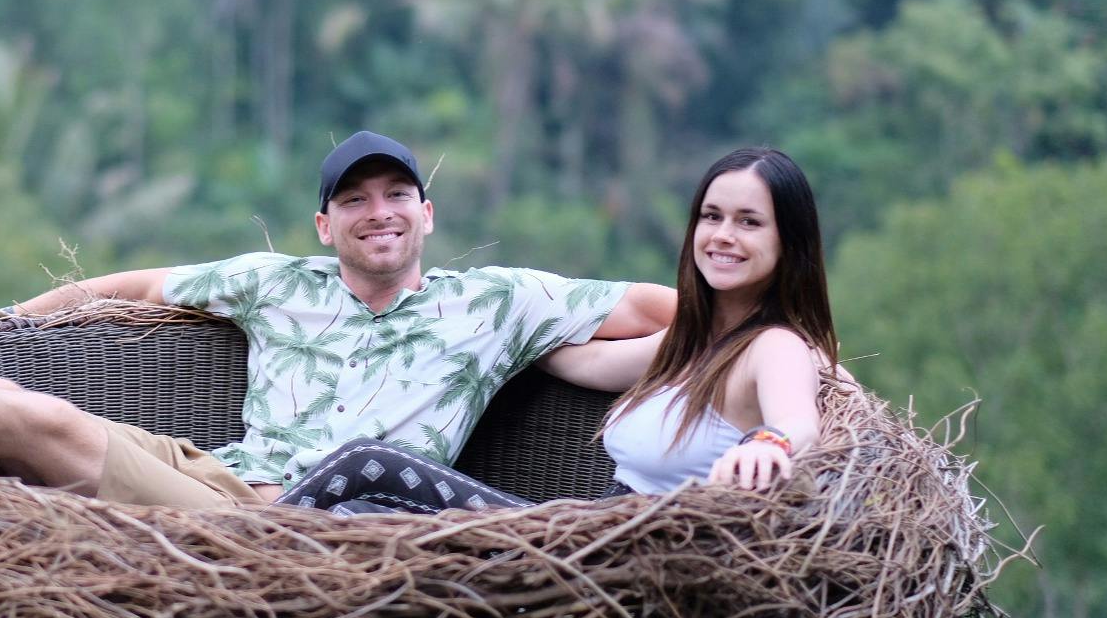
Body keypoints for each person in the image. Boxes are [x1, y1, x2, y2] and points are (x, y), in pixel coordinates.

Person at [0, 131, 676, 509]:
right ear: (324, 223)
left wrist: (771, 342)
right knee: (8, 401)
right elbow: (131, 288)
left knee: (45, 432)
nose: (380, 212)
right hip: (215, 477)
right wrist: (7, 324)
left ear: (427, 213)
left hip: (297, 534)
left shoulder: (496, 302)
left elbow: (670, 312)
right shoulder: (274, 281)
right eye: (356, 200)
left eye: (397, 195)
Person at [279, 146, 837, 512]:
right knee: (359, 514)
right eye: (712, 217)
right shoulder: (690, 345)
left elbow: (797, 419)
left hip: (609, 563)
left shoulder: (775, 347)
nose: (722, 235)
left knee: (363, 463)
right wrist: (483, 327)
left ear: (789, 242)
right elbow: (580, 361)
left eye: (749, 222)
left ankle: (239, 553)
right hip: (581, 540)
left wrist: (772, 442)